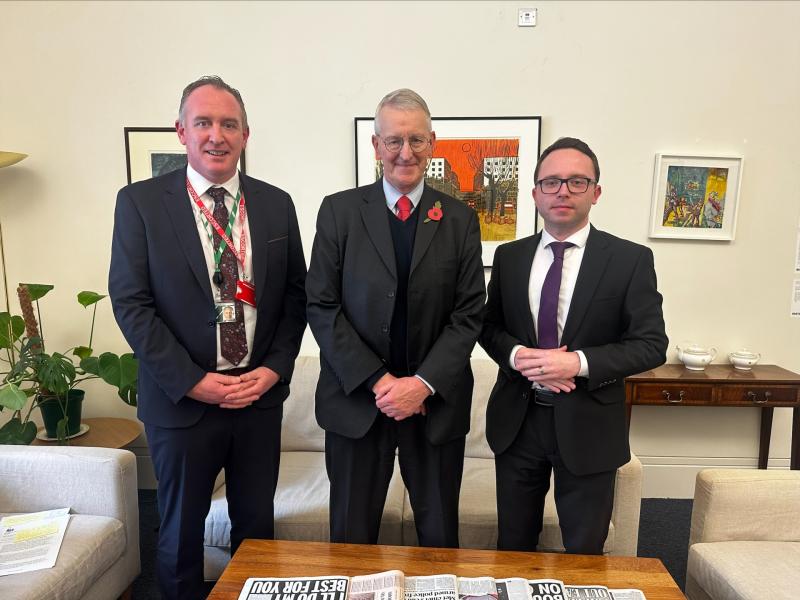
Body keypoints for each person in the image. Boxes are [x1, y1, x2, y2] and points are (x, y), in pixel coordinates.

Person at [109, 75, 306, 599]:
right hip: (182, 404)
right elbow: (132, 304)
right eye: (204, 123)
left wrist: (274, 369)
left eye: (229, 124)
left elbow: (294, 299)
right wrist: (192, 380)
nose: (216, 135)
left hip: (256, 399)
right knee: (179, 536)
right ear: (181, 132)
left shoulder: (276, 204)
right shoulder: (140, 204)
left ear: (245, 135)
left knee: (256, 532)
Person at [306, 88, 485, 547]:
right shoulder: (339, 212)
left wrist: (421, 384)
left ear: (433, 143)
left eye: (417, 140)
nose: (405, 152)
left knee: (440, 536)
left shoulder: (461, 219)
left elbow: (468, 315)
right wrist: (382, 383)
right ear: (376, 145)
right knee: (350, 538)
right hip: (357, 402)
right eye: (394, 141)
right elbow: (322, 306)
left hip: (435, 406)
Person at [480, 137, 667, 554]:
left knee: (584, 551)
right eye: (550, 182)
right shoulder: (510, 257)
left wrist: (578, 363)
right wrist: (516, 355)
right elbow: (488, 327)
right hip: (518, 422)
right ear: (534, 194)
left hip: (589, 425)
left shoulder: (628, 260)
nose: (562, 190)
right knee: (513, 545)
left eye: (577, 182)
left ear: (596, 192)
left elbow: (652, 344)